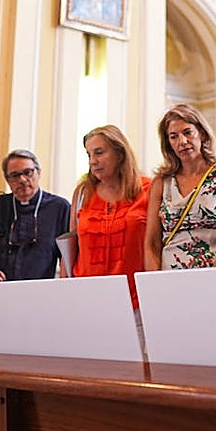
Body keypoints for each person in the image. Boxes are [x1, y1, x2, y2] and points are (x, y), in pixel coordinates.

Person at [145, 104, 216, 269]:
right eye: (173, 136)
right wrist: (154, 283)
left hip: (215, 276)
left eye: (187, 132)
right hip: (170, 277)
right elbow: (152, 244)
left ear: (202, 134)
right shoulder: (161, 183)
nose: (182, 141)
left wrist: (209, 278)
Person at [0, 149, 70, 282]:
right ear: (7, 180)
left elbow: (68, 258)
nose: (22, 180)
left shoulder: (59, 208)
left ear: (38, 173)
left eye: (28, 172)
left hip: (39, 294)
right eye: (14, 175)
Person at [71, 125, 151, 306]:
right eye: (89, 155)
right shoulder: (83, 192)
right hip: (86, 298)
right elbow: (71, 248)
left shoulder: (149, 189)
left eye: (99, 153)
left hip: (135, 300)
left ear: (120, 153)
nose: (93, 161)